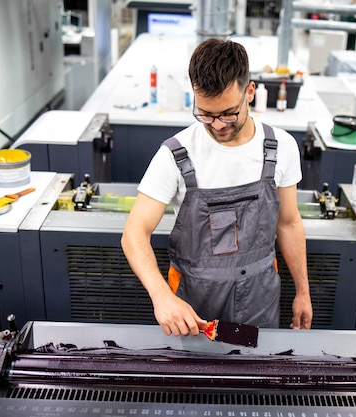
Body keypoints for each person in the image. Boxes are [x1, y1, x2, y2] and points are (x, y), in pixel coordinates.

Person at [121, 38, 312, 338]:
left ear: (250, 92)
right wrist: (162, 297)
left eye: (228, 113)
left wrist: (303, 291)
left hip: (259, 303)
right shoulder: (175, 154)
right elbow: (134, 233)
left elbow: (288, 224)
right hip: (194, 311)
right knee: (195, 379)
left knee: (253, 377)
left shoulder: (281, 147)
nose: (218, 125)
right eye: (206, 114)